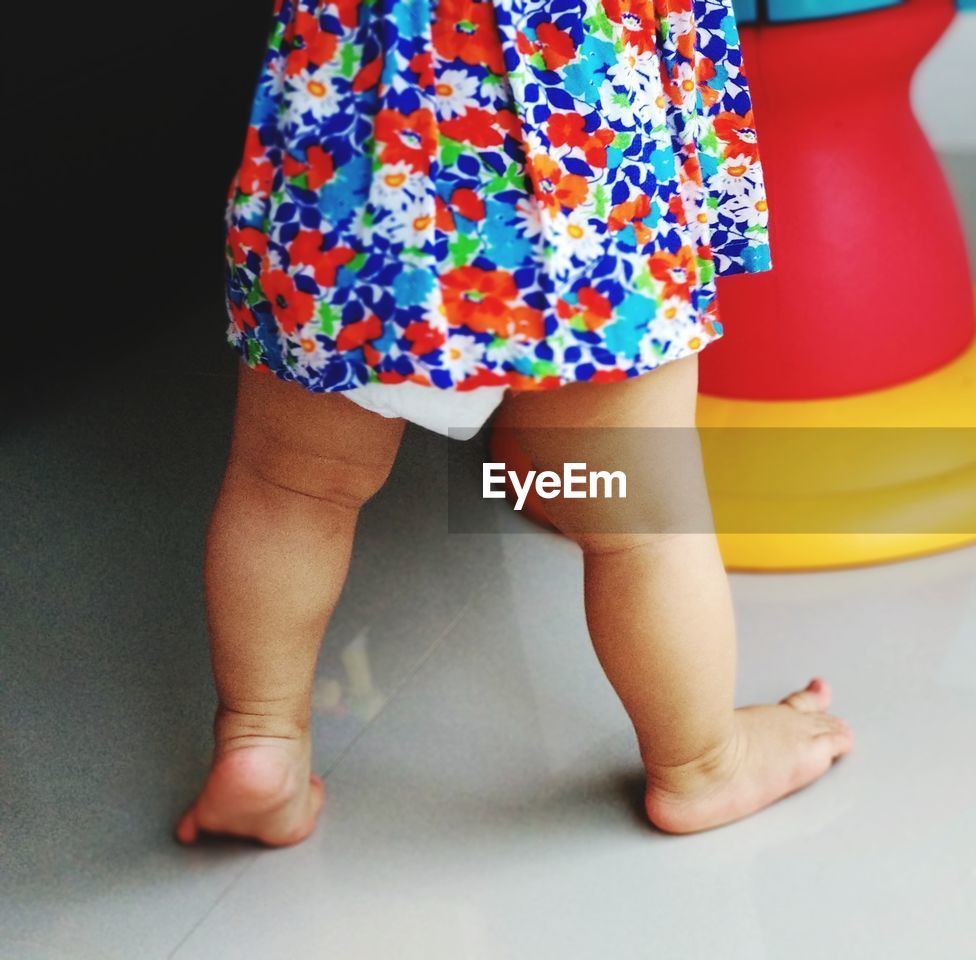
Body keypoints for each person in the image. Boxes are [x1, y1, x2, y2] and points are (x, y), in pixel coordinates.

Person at [178, 0, 851, 847]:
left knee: (291, 486)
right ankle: (701, 763)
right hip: (578, 145)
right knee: (641, 524)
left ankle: (261, 739)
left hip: (352, 152)